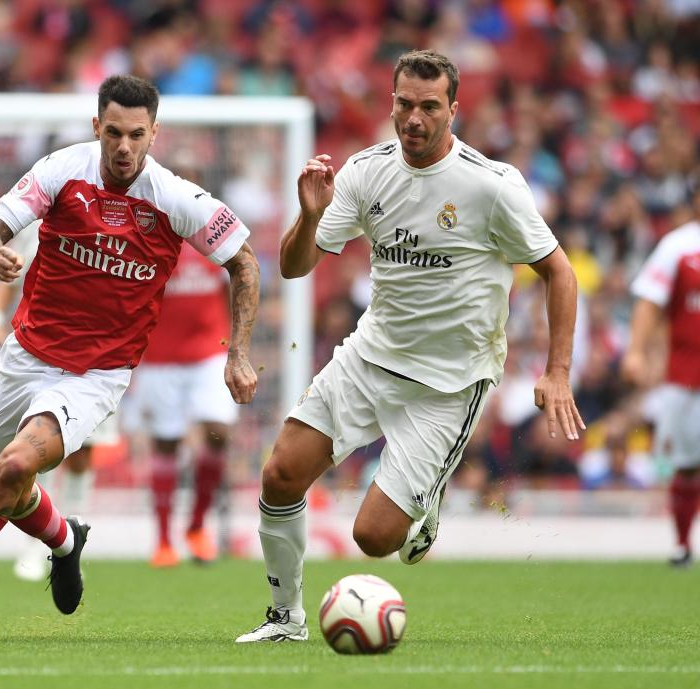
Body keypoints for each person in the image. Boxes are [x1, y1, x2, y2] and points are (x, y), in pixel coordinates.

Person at [0, 74, 260, 629]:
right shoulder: (61, 170)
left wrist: (238, 352)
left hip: (97, 373)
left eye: (135, 135)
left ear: (154, 134)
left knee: (11, 468)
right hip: (27, 354)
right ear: (95, 128)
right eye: (112, 133)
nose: (123, 147)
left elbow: (243, 261)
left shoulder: (175, 197)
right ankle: (64, 539)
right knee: (11, 487)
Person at [235, 49, 584, 643]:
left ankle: (430, 492)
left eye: (428, 106)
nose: (414, 118)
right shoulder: (367, 171)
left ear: (453, 109)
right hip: (370, 357)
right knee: (280, 475)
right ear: (391, 102)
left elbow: (561, 272)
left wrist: (557, 370)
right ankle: (285, 618)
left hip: (447, 384)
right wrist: (307, 215)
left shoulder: (491, 186)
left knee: (373, 540)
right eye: (404, 104)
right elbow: (295, 267)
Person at [0, 220, 112, 582]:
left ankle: (77, 530)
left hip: (97, 357)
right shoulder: (37, 222)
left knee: (81, 452)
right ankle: (40, 544)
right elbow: (12, 274)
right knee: (35, 449)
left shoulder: (112, 220)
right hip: (42, 356)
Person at [122, 241, 240, 567]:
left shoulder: (214, 236)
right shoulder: (148, 234)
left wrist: (237, 345)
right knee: (166, 443)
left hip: (210, 352)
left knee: (218, 431)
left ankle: (197, 526)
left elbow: (236, 284)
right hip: (160, 357)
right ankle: (162, 541)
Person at [621, 196, 700, 567]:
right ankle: (683, 545)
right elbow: (650, 301)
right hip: (686, 376)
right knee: (686, 464)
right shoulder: (679, 245)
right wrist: (636, 351)